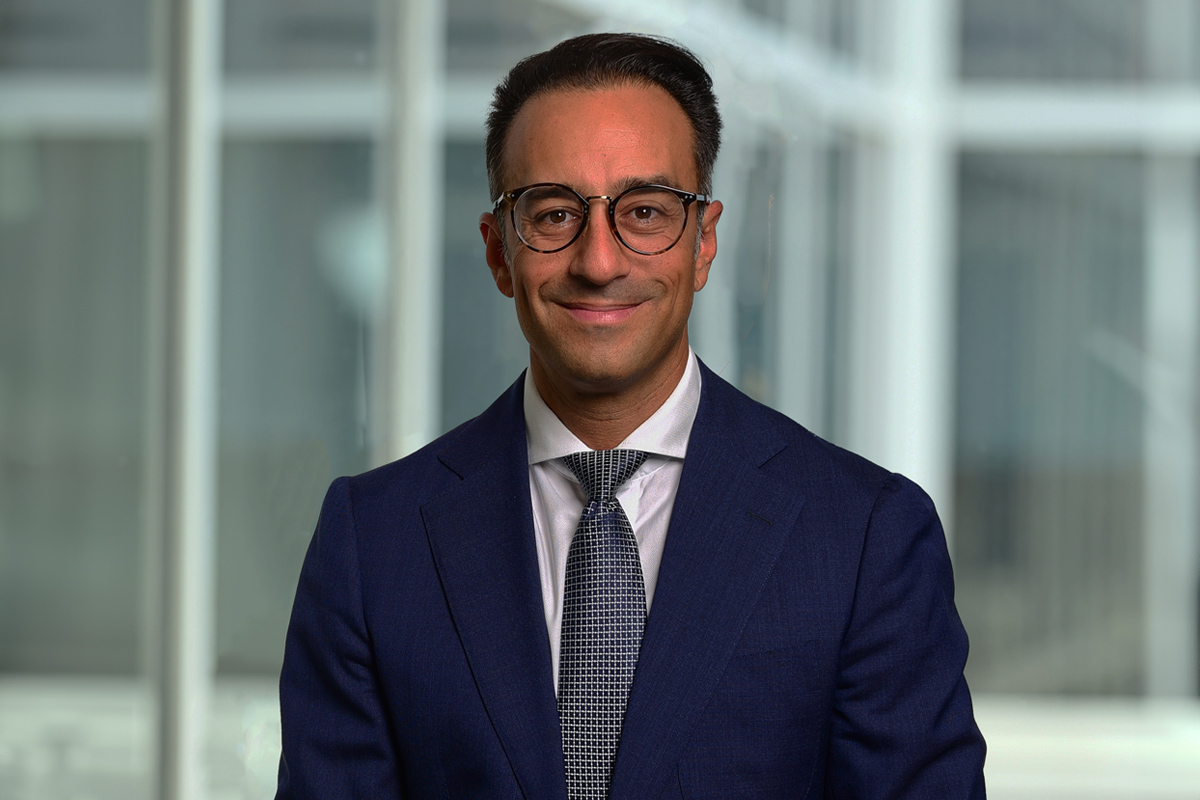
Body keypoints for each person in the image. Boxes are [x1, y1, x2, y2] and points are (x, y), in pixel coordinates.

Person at [276, 32, 986, 799]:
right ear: (498, 252)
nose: (600, 261)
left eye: (645, 212)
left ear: (704, 242)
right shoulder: (373, 543)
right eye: (554, 215)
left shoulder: (864, 538)